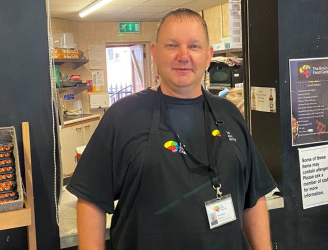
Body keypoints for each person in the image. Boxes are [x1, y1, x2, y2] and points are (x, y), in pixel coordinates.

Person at [67, 8, 276, 250]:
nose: (184, 55)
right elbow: (91, 200)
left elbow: (254, 197)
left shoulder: (229, 114)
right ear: (155, 53)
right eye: (172, 45)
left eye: (194, 46)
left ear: (208, 56)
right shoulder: (123, 116)